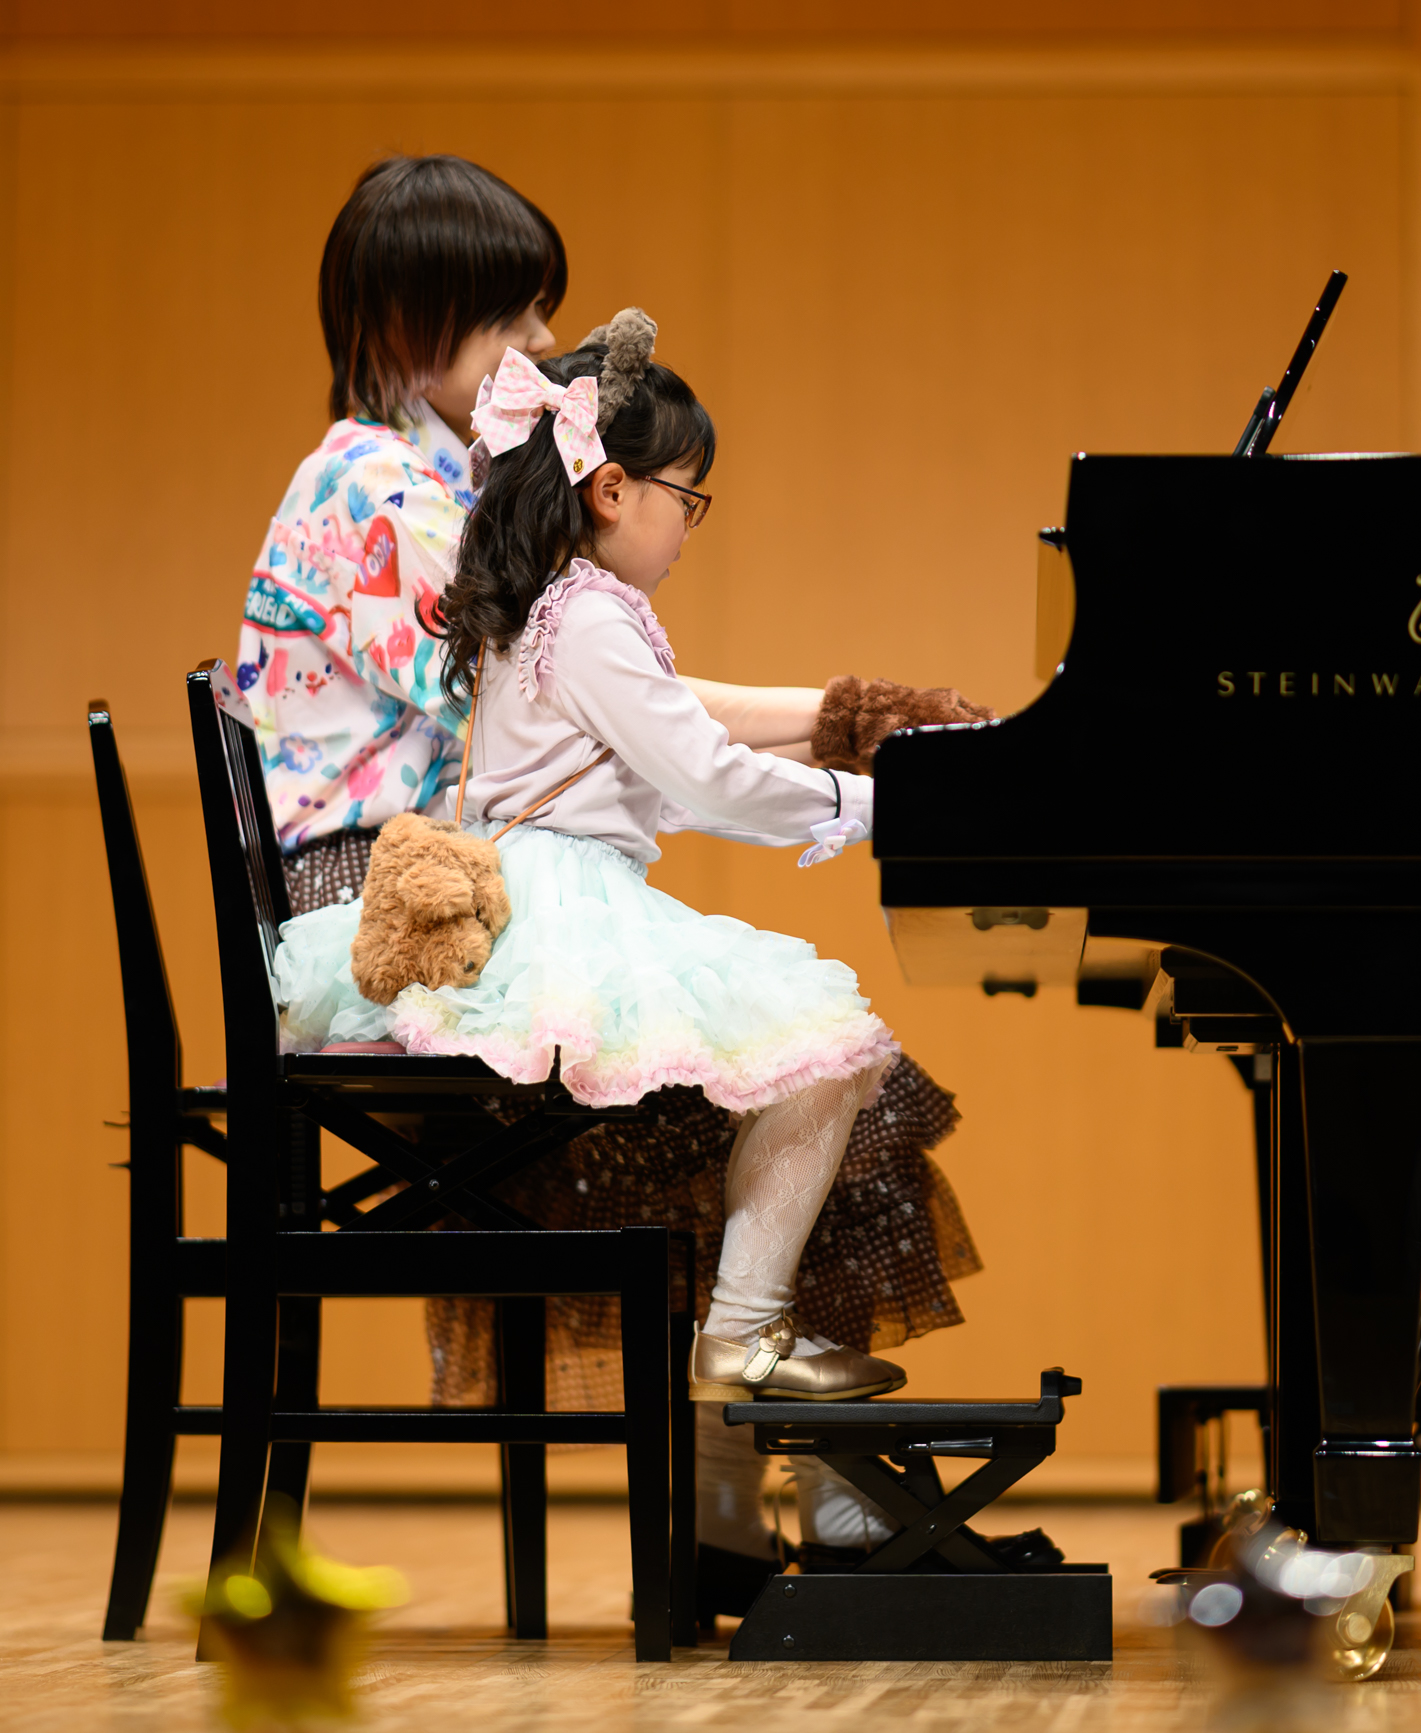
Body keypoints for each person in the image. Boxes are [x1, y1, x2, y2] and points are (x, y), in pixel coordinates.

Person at [235, 157, 967, 1594]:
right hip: (404, 913)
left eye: (538, 318)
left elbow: (631, 703)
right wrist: (849, 743)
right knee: (759, 1072)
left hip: (469, 887)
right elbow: (624, 710)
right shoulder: (378, 490)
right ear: (402, 322)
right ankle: (763, 1480)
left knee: (732, 1093)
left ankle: (735, 1508)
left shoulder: (458, 487)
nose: (532, 355)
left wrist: (840, 717)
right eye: (505, 321)